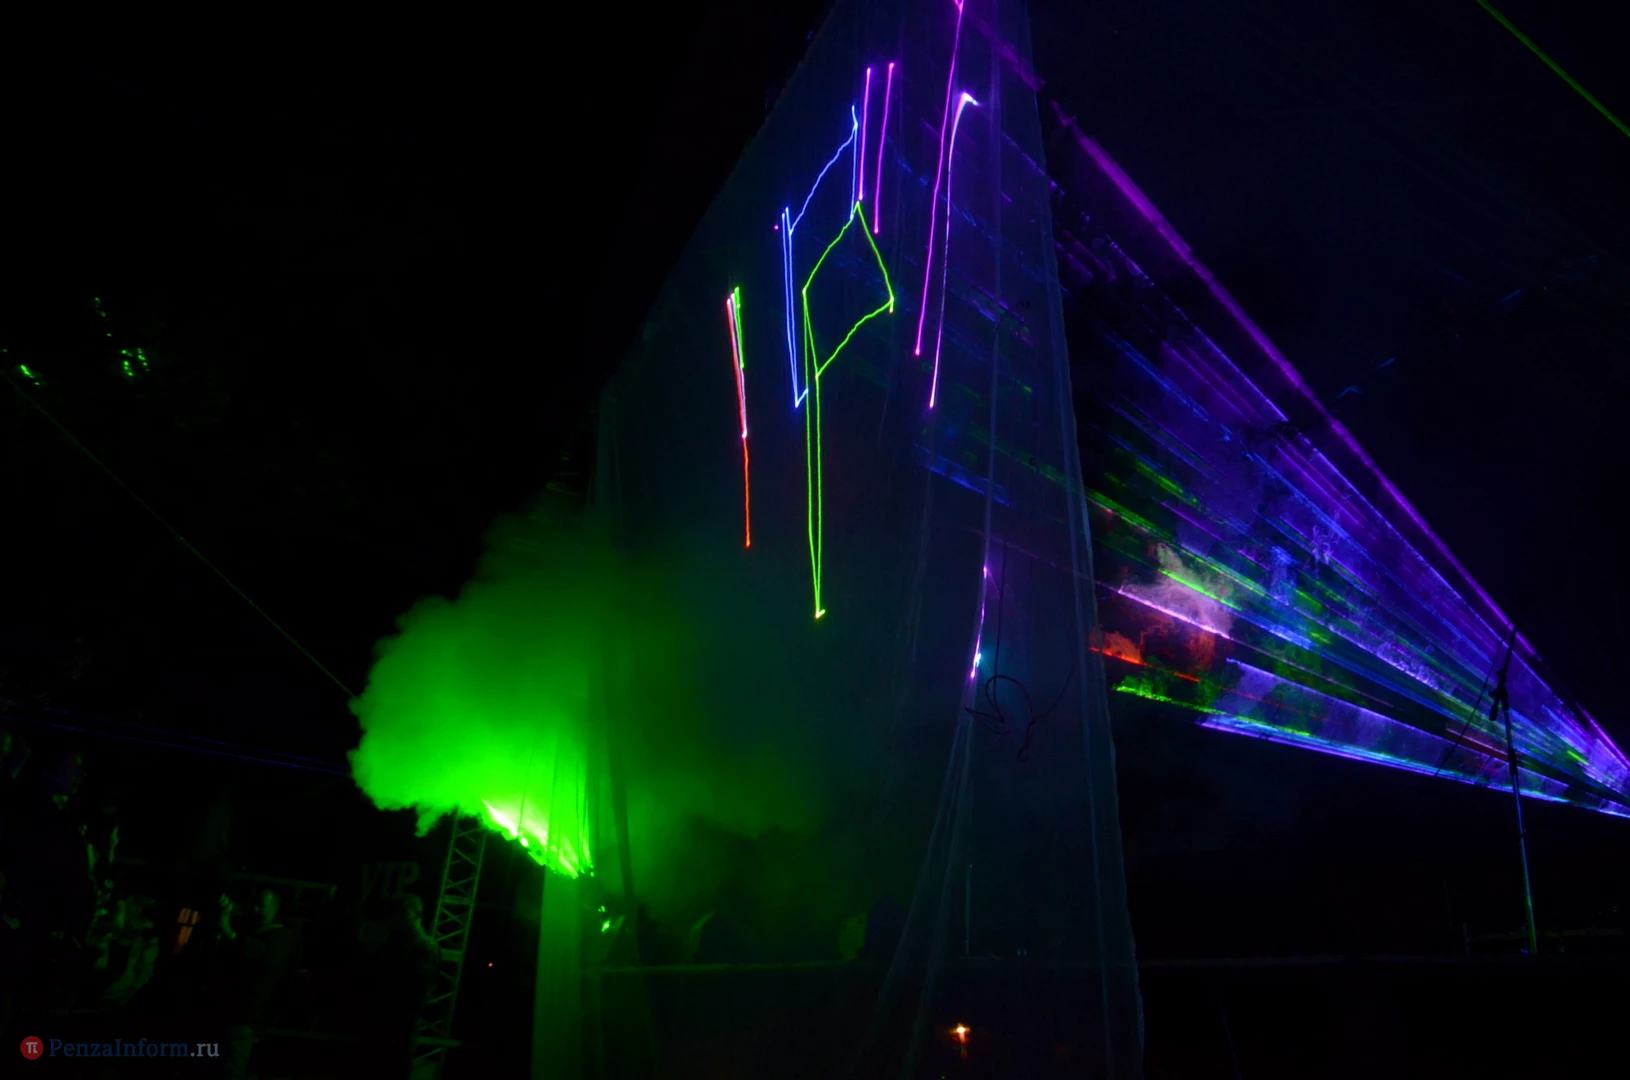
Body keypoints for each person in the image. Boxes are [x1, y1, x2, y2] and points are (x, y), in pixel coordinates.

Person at [218, 887, 294, 1080]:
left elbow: (262, 954)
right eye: (255, 905)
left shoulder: (279, 937)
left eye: (262, 905)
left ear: (275, 907)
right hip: (236, 1014)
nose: (256, 909)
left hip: (247, 1016)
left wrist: (230, 934)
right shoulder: (257, 931)